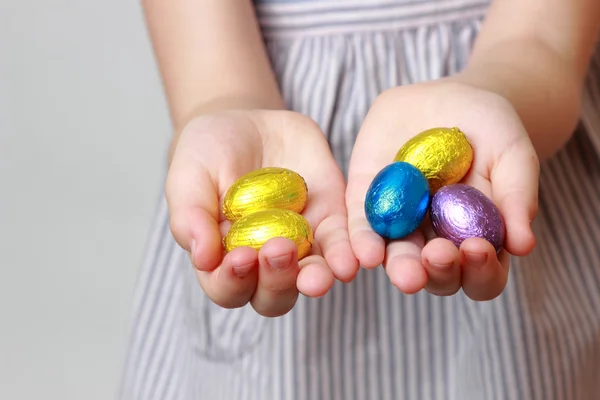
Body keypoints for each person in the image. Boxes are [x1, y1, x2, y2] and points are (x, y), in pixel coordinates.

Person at [119, 0, 600, 399]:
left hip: (510, 126)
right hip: (272, 151)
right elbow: (211, 75)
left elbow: (541, 41)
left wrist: (491, 94)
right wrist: (227, 109)